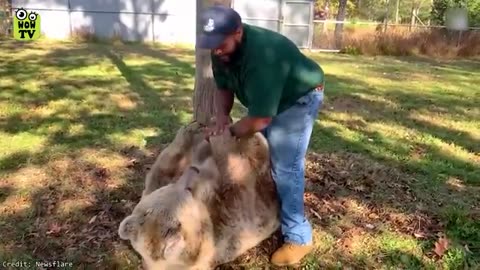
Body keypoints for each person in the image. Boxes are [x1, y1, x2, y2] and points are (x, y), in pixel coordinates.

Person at [199, 5, 325, 267]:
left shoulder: (262, 57)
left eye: (221, 43)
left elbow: (260, 120)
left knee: (285, 169)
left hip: (298, 99)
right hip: (270, 100)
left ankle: (299, 237)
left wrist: (227, 135)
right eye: (211, 44)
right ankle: (268, 210)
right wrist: (222, 117)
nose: (216, 50)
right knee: (261, 157)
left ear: (238, 32)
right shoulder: (219, 49)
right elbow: (222, 86)